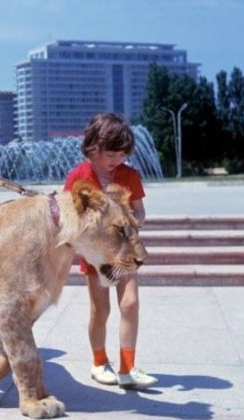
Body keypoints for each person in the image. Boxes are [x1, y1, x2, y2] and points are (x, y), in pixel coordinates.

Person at [63, 113, 158, 389]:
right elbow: (70, 215)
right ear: (93, 147)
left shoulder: (130, 176)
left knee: (130, 304)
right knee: (100, 311)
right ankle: (99, 362)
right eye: (111, 154)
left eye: (122, 154)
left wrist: (132, 220)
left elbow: (140, 211)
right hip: (96, 258)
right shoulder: (78, 176)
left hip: (126, 252)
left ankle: (127, 368)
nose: (117, 160)